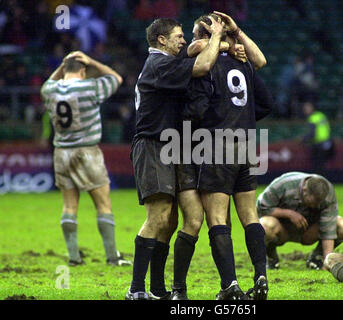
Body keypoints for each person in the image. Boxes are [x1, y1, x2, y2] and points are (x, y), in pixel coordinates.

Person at [170, 12, 270, 300]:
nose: (190, 40)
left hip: (217, 144)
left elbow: (197, 109)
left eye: (193, 35)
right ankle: (261, 276)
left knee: (217, 220)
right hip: (248, 144)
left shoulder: (205, 66)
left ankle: (230, 286)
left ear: (204, 35)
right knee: (251, 216)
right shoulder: (243, 62)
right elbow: (267, 101)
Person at [126, 17, 224, 300]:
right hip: (153, 145)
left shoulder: (165, 64)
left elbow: (194, 54)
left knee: (168, 221)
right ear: (162, 40)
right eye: (178, 36)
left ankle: (157, 290)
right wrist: (217, 36)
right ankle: (135, 290)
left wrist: (215, 44)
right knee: (157, 217)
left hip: (168, 146)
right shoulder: (159, 64)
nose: (182, 41)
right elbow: (203, 65)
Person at [40, 51, 132, 267]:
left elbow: (48, 83)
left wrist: (63, 66)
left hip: (62, 153)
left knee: (69, 206)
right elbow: (116, 78)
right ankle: (112, 257)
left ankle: (73, 257)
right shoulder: (90, 87)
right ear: (82, 71)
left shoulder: (50, 90)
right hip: (87, 152)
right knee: (103, 204)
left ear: (64, 70)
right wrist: (92, 62)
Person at [257, 172, 343, 270]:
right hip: (281, 229)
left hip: (309, 232)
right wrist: (288, 213)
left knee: (341, 226)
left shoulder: (327, 194)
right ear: (304, 190)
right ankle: (271, 257)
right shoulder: (283, 185)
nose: (316, 206)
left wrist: (327, 263)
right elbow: (261, 208)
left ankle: (317, 258)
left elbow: (329, 229)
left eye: (319, 204)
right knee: (263, 226)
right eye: (313, 203)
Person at [302, 101, 335, 175]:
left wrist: (303, 140)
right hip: (328, 142)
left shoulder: (313, 118)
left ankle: (317, 182)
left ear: (312, 108)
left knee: (317, 165)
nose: (305, 110)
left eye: (307, 108)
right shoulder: (321, 115)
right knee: (322, 164)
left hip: (319, 143)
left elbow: (312, 133)